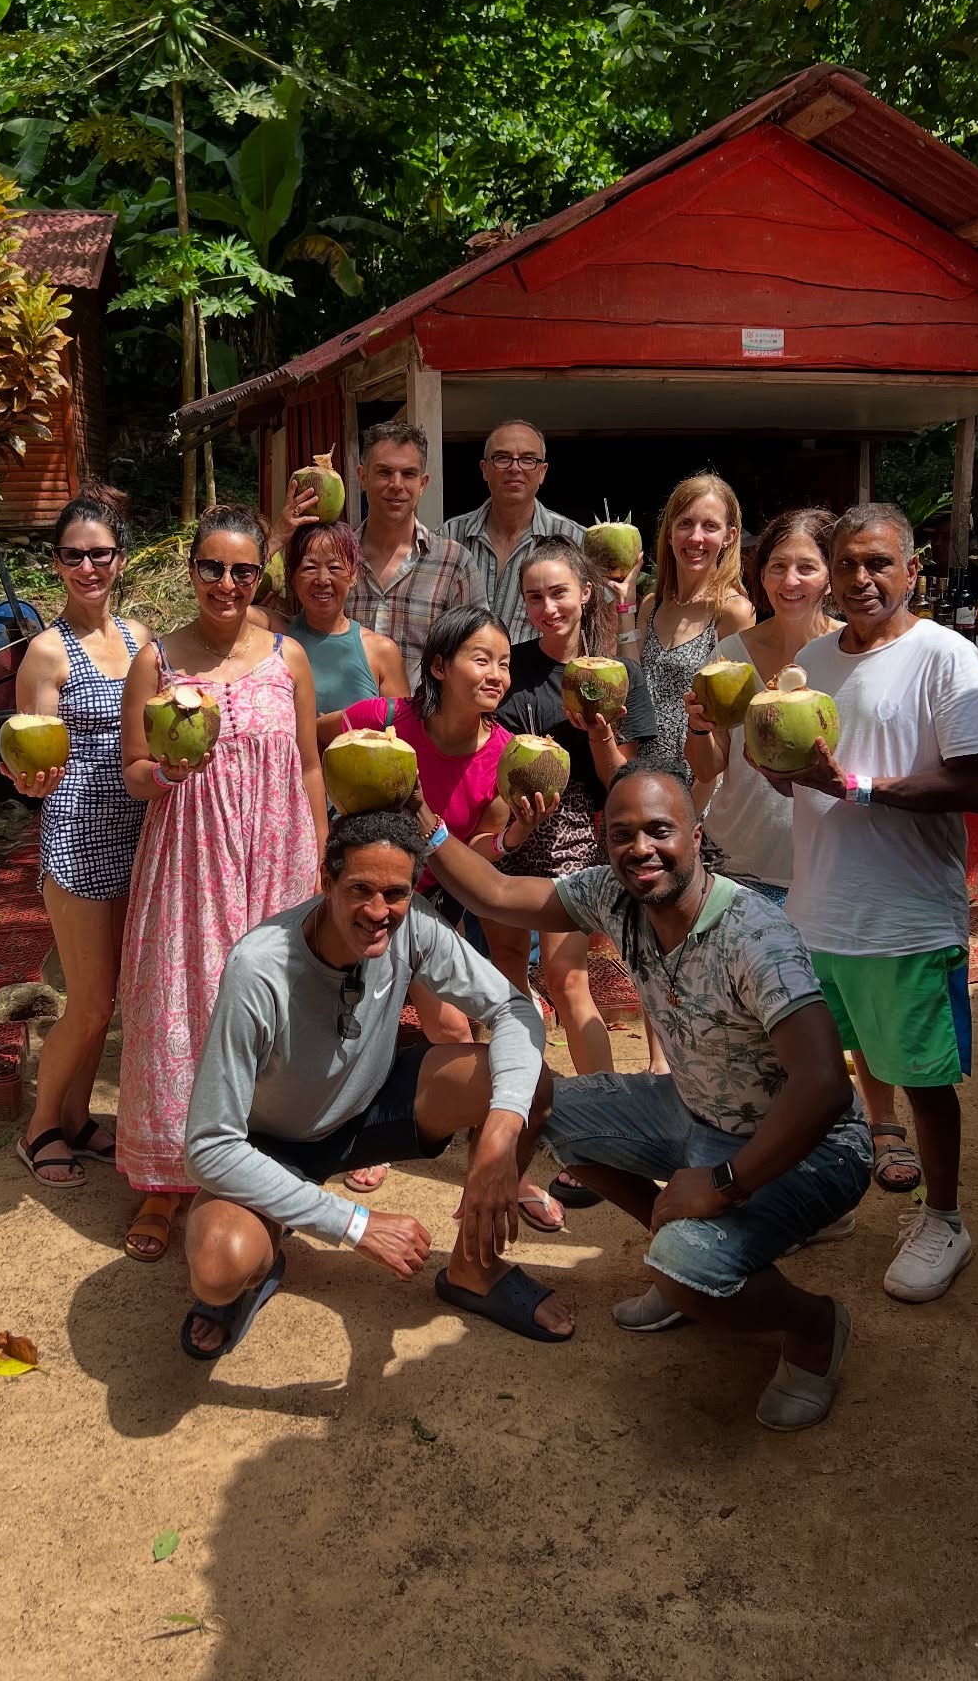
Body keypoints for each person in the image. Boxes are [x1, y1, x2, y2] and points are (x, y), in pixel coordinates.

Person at [416, 765, 873, 1431]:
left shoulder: (754, 938)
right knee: (548, 1108)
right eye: (623, 834)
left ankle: (813, 1327)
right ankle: (681, 1265)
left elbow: (825, 1086)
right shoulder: (613, 895)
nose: (641, 849)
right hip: (693, 1112)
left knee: (692, 1267)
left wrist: (722, 1183)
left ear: (695, 834)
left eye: (659, 830)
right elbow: (498, 892)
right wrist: (421, 820)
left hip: (813, 1146)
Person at [180, 810, 574, 1358]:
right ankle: (265, 1246)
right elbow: (207, 1146)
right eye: (359, 889)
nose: (377, 911)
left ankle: (473, 1269)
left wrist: (504, 1127)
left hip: (370, 1107)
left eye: (395, 893)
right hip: (272, 1144)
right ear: (325, 882)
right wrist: (354, 1223)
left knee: (529, 1086)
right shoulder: (258, 968)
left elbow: (512, 1008)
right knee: (221, 1266)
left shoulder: (413, 925)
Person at [760, 503, 978, 1302]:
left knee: (921, 1079)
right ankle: (831, 1195)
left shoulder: (946, 656)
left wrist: (858, 788)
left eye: (879, 564)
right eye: (848, 564)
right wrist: (772, 762)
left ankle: (944, 1219)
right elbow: (797, 767)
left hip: (906, 917)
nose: (862, 579)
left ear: (911, 570)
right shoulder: (813, 661)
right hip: (817, 911)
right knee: (819, 1076)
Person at [116, 505, 326, 1262]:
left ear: (259, 576)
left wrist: (321, 857)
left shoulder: (288, 658)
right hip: (190, 857)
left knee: (277, 1011)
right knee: (187, 1006)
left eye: (242, 570)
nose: (227, 583)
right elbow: (133, 773)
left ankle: (272, 1162)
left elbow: (306, 765)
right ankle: (166, 1184)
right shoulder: (158, 661)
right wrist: (165, 771)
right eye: (212, 567)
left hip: (278, 857)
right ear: (192, 572)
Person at [335, 607, 554, 1224]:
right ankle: (357, 1125)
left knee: (455, 1032)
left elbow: (479, 854)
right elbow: (308, 739)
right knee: (360, 1007)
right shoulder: (383, 722)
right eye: (480, 659)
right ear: (438, 665)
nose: (496, 673)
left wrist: (513, 839)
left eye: (504, 663)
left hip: (439, 891)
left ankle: (490, 1156)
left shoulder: (507, 755)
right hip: (372, 887)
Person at [0, 484, 150, 1188]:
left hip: (141, 832)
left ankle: (81, 1116)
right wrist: (25, 782)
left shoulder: (140, 640)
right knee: (88, 1002)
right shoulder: (47, 654)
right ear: (56, 564)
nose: (87, 567)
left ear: (120, 559)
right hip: (79, 833)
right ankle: (38, 1129)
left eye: (99, 554)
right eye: (72, 556)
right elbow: (29, 753)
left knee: (109, 1000)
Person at [488, 537, 656, 1164]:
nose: (547, 607)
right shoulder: (510, 667)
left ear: (587, 592)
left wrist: (600, 732)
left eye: (558, 592)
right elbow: (490, 754)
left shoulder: (620, 675)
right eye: (534, 596)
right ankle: (520, 1110)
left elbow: (625, 781)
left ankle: (601, 1126)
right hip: (510, 829)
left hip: (577, 837)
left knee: (567, 978)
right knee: (505, 981)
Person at [682, 508, 840, 907]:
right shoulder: (730, 656)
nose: (790, 581)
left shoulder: (848, 655)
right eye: (778, 566)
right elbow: (707, 767)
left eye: (807, 567)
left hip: (830, 864)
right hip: (740, 863)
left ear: (830, 577)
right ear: (762, 574)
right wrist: (698, 727)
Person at [628, 472, 755, 770]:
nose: (695, 537)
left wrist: (697, 807)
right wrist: (623, 604)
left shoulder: (734, 613)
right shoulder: (652, 605)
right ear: (670, 533)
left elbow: (730, 731)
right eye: (685, 523)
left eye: (709, 526)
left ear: (729, 537)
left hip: (695, 783)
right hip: (641, 777)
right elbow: (630, 688)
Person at [341, 419, 484, 678]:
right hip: (343, 716)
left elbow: (477, 651)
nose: (396, 484)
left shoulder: (453, 563)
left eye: (408, 474)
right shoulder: (336, 557)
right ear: (362, 477)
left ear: (423, 483)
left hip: (423, 717)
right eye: (384, 472)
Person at [254, 517, 408, 741]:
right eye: (309, 568)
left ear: (353, 575)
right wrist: (277, 538)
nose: (322, 579)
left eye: (335, 567)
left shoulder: (381, 652)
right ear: (292, 577)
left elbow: (403, 736)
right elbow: (224, 600)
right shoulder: (274, 633)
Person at [439, 419, 586, 644]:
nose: (515, 468)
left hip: (544, 678)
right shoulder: (450, 537)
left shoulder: (576, 539)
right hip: (466, 677)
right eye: (502, 458)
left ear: (542, 472)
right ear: (484, 469)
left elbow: (603, 624)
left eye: (528, 459)